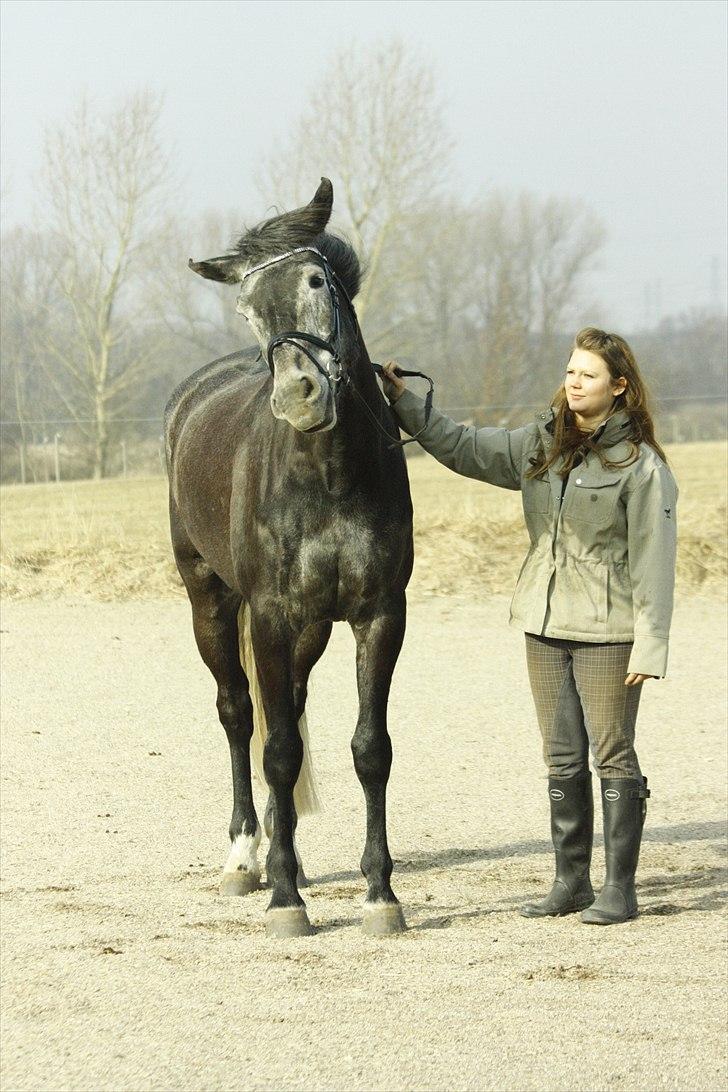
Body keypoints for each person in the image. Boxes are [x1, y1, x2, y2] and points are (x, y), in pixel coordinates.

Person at [381, 327, 678, 926]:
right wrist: (402, 401)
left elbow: (656, 559)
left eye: (588, 374)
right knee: (561, 755)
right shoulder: (540, 445)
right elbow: (462, 446)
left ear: (619, 387)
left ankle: (619, 889)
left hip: (609, 629)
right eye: (570, 370)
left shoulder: (641, 468)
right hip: (542, 622)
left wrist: (652, 642)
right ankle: (571, 881)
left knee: (612, 753)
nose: (573, 381)